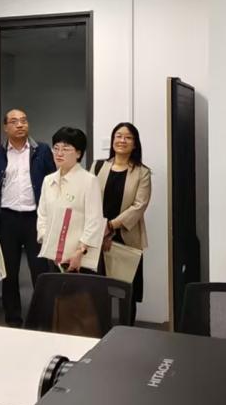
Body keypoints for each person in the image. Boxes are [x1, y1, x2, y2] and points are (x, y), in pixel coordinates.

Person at [0, 109, 56, 327]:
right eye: (14, 122)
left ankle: (43, 320)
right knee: (9, 273)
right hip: (7, 220)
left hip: (35, 219)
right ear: (5, 128)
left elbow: (54, 184)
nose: (20, 125)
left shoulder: (42, 151)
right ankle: (13, 319)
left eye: (24, 120)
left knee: (40, 271)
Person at [96, 122, 151, 323]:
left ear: (135, 144)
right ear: (112, 140)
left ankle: (127, 331)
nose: (122, 140)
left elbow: (139, 205)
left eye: (128, 137)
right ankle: (100, 331)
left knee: (127, 291)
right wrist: (101, 228)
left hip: (126, 237)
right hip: (98, 237)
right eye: (118, 136)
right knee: (99, 289)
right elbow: (90, 200)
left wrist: (110, 226)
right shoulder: (98, 166)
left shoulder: (142, 172)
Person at [37, 127, 105, 273]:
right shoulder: (48, 180)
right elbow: (42, 214)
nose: (59, 153)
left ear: (78, 153)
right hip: (52, 254)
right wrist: (45, 237)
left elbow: (94, 220)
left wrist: (80, 251)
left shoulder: (89, 181)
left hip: (78, 258)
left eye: (66, 149)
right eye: (56, 148)